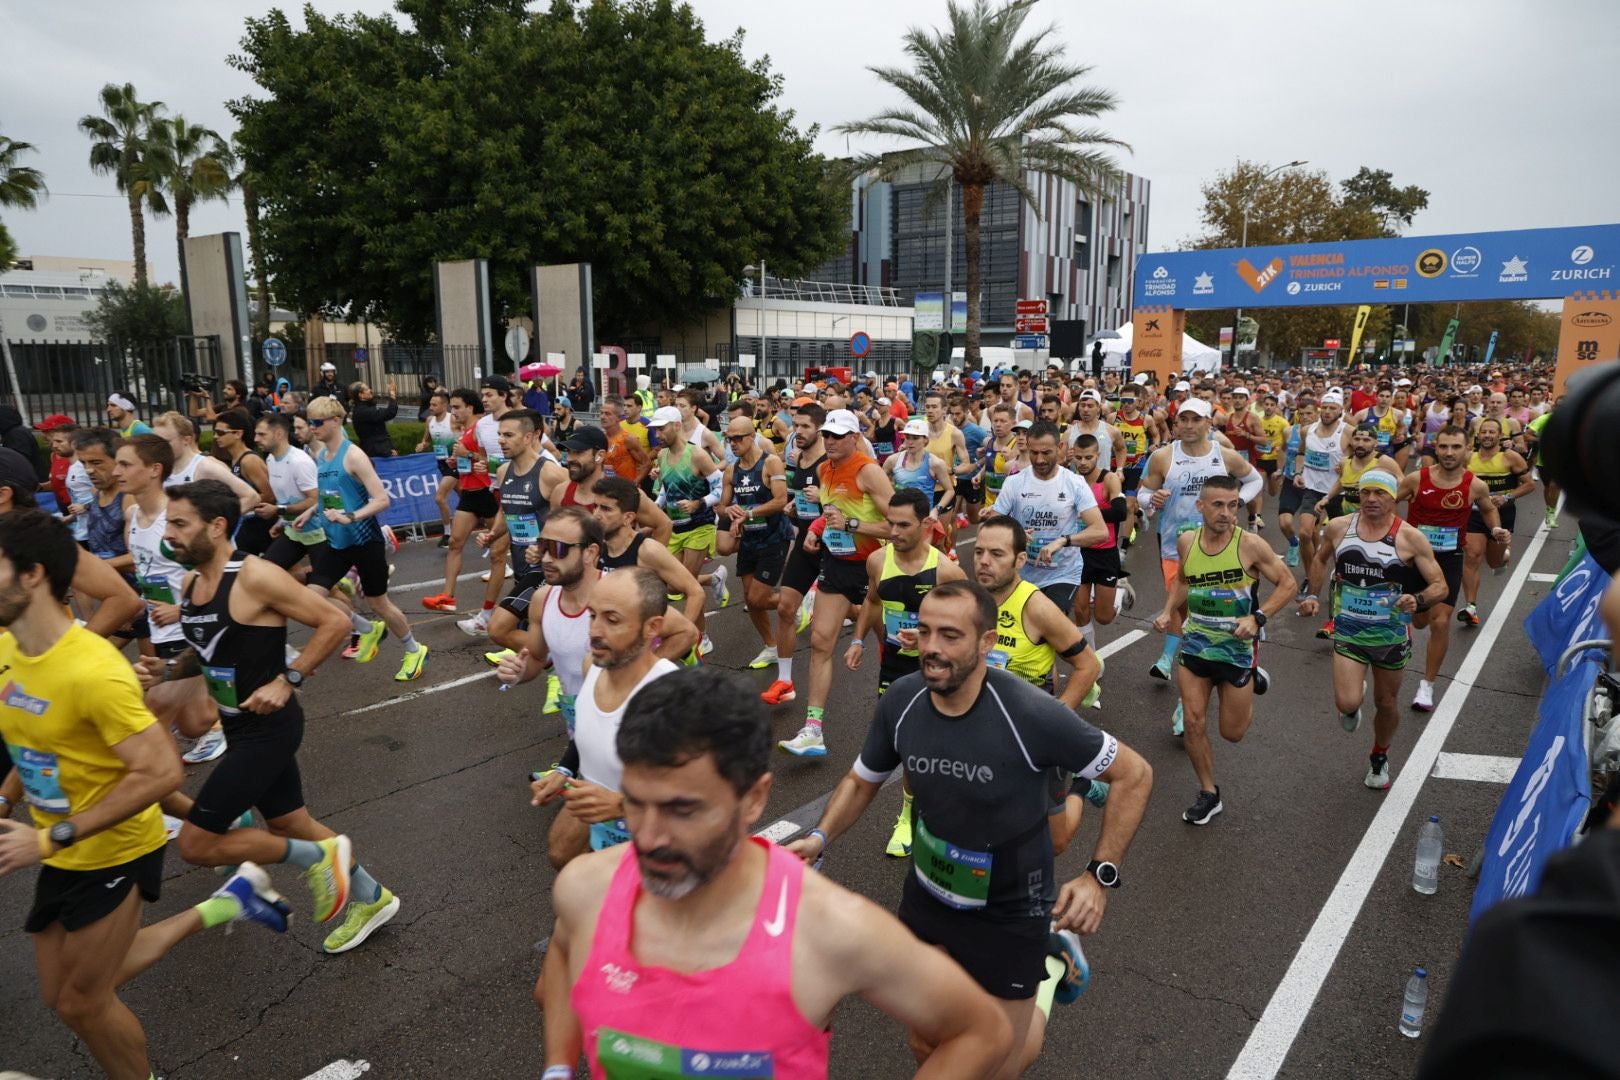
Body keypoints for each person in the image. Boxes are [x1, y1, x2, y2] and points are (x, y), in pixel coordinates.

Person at [539, 665, 1015, 1079]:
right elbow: (561, 958)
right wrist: (559, 1066)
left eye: (683, 811)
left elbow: (981, 1030)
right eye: (635, 806)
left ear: (754, 799)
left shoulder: (829, 927)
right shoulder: (587, 889)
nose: (651, 838)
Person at [791, 581, 1151, 1078]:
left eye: (951, 635)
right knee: (926, 1043)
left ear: (986, 643)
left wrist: (1098, 877)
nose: (933, 647)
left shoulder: (1030, 713)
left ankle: (1045, 972)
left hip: (1011, 907)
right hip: (929, 895)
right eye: (926, 631)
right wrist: (820, 836)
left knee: (1000, 1064)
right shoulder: (902, 700)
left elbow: (1134, 774)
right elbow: (861, 781)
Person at [0, 509, 291, 1080]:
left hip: (112, 848)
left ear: (31, 574)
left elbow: (161, 774)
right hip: (59, 845)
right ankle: (227, 903)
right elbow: (31, 742)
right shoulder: (9, 652)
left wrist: (52, 836)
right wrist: (6, 801)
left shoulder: (93, 671)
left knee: (87, 1000)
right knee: (64, 998)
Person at [132, 479, 401, 953]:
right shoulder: (193, 581)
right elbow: (211, 649)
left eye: (179, 524)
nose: (167, 534)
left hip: (270, 728)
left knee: (195, 845)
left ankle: (319, 858)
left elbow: (334, 621)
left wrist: (289, 678)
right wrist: (170, 669)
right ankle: (371, 898)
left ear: (217, 527)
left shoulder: (254, 575)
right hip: (238, 723)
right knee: (288, 821)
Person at [522, 566, 684, 873]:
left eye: (612, 620)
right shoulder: (593, 665)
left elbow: (704, 801)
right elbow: (588, 724)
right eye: (592, 615)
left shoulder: (671, 699)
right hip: (598, 811)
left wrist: (622, 805)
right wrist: (564, 769)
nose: (595, 631)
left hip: (657, 843)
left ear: (652, 627)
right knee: (560, 855)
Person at [1153, 474, 1293, 824]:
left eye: (1233, 505)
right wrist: (1169, 610)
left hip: (1236, 650)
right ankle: (1208, 792)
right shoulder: (1188, 541)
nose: (1227, 512)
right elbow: (1184, 581)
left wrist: (1258, 618)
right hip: (1197, 645)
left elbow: (1288, 584)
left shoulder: (1250, 546)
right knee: (1194, 722)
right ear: (1200, 506)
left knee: (1232, 733)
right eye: (1218, 504)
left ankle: (1253, 679)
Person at [1297, 469, 1446, 789]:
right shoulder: (1339, 527)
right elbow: (1321, 559)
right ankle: (1353, 701)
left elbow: (1440, 586)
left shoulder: (1409, 537)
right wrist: (1312, 593)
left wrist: (1416, 599)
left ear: (1394, 499)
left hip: (1390, 635)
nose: (1371, 499)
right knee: (1347, 704)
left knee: (1386, 703)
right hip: (1349, 629)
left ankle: (1379, 755)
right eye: (1366, 492)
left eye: (1380, 493)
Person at [843, 487, 967, 856]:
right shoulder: (878, 561)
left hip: (942, 668)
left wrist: (930, 638)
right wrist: (857, 639)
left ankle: (951, 808)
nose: (893, 532)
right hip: (895, 665)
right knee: (909, 744)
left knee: (945, 744)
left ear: (926, 525)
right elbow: (872, 601)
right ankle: (909, 815)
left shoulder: (945, 570)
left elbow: (970, 623)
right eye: (889, 524)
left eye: (902, 525)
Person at [1135, 398, 1263, 732]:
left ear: (1209, 422)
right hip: (1174, 548)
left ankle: (1186, 702)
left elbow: (1255, 481)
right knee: (1182, 614)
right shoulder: (1164, 456)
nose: (1189, 425)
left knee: (1199, 616)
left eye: (1196, 419)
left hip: (1218, 548)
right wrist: (1153, 500)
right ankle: (1186, 683)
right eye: (1183, 419)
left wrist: (1235, 504)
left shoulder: (1224, 455)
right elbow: (1143, 494)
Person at [780, 408, 894, 758]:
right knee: (820, 641)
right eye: (826, 434)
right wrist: (817, 532)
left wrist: (851, 527)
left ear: (854, 438)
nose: (828, 440)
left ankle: (897, 709)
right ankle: (813, 729)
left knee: (891, 644)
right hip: (838, 564)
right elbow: (829, 512)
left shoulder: (868, 471)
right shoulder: (822, 470)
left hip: (874, 566)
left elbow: (898, 526)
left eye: (836, 435)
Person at [298, 395, 428, 682]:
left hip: (364, 540)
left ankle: (414, 649)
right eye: (310, 422)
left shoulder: (354, 455)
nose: (313, 427)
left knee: (378, 602)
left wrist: (352, 517)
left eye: (317, 422)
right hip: (336, 542)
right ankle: (367, 629)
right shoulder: (322, 456)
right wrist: (310, 511)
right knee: (309, 599)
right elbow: (329, 495)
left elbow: (382, 500)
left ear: (335, 421)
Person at [1399, 426, 1509, 712]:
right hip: (1414, 560)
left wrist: (1495, 527)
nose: (1449, 453)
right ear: (1436, 447)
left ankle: (1427, 687)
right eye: (1444, 447)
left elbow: (1486, 509)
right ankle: (1412, 626)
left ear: (1467, 449)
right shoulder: (1415, 479)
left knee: (1440, 621)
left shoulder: (1475, 485)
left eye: (1456, 447)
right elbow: (1386, 502)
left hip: (1449, 559)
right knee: (1420, 620)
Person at [991, 419, 1106, 624]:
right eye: (1034, 453)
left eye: (1046, 452)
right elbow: (993, 523)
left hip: (1063, 573)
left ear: (1060, 447)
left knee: (1047, 625)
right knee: (1021, 628)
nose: (1040, 459)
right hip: (1022, 573)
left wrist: (1063, 540)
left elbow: (1099, 531)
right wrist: (1014, 532)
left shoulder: (1074, 483)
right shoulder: (1015, 482)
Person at [717, 414, 797, 668]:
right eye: (729, 439)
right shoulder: (731, 470)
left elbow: (780, 500)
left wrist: (749, 513)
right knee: (751, 600)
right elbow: (721, 505)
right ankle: (770, 646)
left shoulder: (771, 463)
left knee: (758, 599)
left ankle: (796, 603)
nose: (732, 443)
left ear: (752, 437)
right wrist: (728, 512)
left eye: (738, 438)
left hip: (774, 538)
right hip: (749, 540)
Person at [762, 403, 828, 698]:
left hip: (832, 547)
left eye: (804, 427)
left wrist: (823, 497)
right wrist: (794, 504)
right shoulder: (798, 458)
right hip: (803, 542)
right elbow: (801, 496)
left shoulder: (830, 462)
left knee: (858, 611)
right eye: (796, 425)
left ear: (819, 429)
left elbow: (851, 503)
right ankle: (785, 681)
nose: (797, 432)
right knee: (786, 608)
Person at [421, 388, 499, 615]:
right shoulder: (465, 431)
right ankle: (448, 596)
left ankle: (492, 609)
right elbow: (469, 459)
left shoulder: (482, 429)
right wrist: (457, 463)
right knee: (455, 543)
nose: (452, 412)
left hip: (487, 491)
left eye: (456, 407)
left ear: (470, 408)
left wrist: (469, 454)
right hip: (470, 491)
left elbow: (495, 460)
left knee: (499, 552)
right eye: (452, 407)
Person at [1458, 417, 1533, 627]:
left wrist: (1507, 497)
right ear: (1478, 435)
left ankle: (1504, 555)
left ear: (1500, 436)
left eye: (1492, 432)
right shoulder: (1467, 458)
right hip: (1473, 515)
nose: (1488, 436)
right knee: (1472, 556)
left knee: (1494, 562)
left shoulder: (1511, 458)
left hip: (1502, 516)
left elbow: (1529, 485)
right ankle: (1470, 607)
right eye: (1484, 432)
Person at [1069, 433, 1133, 656]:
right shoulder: (1070, 480)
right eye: (1079, 457)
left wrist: (1088, 514)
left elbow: (1120, 512)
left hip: (1105, 553)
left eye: (1088, 457)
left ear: (1098, 455)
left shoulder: (1109, 479)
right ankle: (1093, 661)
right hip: (1078, 553)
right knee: (1080, 609)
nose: (1083, 462)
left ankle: (1120, 593)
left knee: (1104, 618)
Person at [253, 412, 327, 575]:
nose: (256, 439)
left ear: (279, 434)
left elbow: (315, 500)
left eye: (261, 434)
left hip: (320, 534)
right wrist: (281, 521)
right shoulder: (271, 460)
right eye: (256, 434)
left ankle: (350, 577)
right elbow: (287, 498)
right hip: (294, 531)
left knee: (324, 587)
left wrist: (278, 510)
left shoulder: (299, 461)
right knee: (265, 574)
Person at [210, 409, 275, 556]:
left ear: (238, 434)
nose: (215, 437)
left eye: (221, 433)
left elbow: (269, 495)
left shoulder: (249, 460)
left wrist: (240, 504)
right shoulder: (235, 459)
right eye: (215, 432)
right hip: (247, 523)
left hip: (259, 524)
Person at [414, 388, 458, 545]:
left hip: (455, 463)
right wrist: (422, 444)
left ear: (444, 405)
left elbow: (466, 435)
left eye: (434, 405)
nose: (431, 408)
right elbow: (427, 439)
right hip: (441, 463)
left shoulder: (453, 419)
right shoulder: (429, 421)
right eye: (430, 404)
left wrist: (458, 452)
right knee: (467, 498)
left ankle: (448, 534)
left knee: (440, 498)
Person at [347, 379, 399, 459]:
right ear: (360, 395)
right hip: (376, 452)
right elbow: (390, 413)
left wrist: (391, 447)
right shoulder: (363, 411)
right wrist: (392, 394)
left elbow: (382, 431)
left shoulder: (366, 407)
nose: (370, 390)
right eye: (367, 389)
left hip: (381, 449)